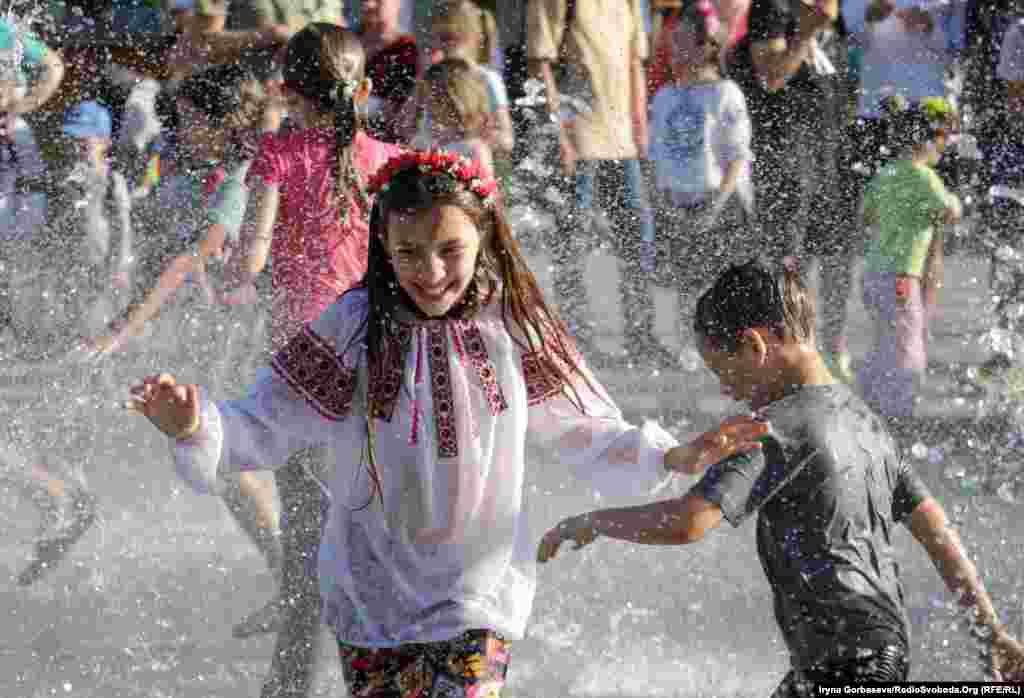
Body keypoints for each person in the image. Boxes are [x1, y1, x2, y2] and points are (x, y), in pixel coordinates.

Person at [125, 149, 769, 697]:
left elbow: (584, 427)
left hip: (478, 587)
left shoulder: (514, 322)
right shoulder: (354, 324)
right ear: (383, 245)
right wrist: (195, 425)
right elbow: (268, 421)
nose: (430, 272)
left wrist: (669, 457)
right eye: (409, 252)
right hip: (372, 589)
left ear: (483, 236)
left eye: (449, 250)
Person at [538, 260, 1024, 691]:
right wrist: (991, 631)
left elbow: (689, 521)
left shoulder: (775, 429)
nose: (727, 391)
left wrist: (596, 521)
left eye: (723, 371)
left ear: (754, 346)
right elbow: (937, 531)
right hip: (870, 652)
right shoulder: (865, 422)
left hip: (846, 663)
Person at [218, 23, 401, 698]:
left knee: (307, 541)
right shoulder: (390, 161)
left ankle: (291, 686)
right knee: (374, 531)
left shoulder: (278, 154)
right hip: (376, 360)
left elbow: (252, 257)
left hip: (304, 366)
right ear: (365, 88)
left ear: (288, 92)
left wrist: (230, 274)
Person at [528, 0, 675, 368]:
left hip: (621, 139)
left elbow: (635, 63)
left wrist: (640, 126)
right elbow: (540, 62)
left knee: (637, 236)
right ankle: (575, 338)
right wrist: (557, 132)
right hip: (578, 134)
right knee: (573, 239)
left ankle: (641, 334)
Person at [647, 0, 754, 342]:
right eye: (671, 42)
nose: (672, 50)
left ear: (705, 47)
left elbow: (737, 157)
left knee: (720, 287)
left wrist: (717, 204)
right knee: (686, 287)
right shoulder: (664, 96)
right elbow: (657, 159)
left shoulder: (725, 93)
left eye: (681, 42)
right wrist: (663, 205)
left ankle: (729, 346)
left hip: (720, 204)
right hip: (678, 205)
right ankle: (689, 347)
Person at [858, 101, 961, 419]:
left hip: (873, 273)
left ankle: (868, 401)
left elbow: (867, 214)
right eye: (941, 140)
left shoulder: (886, 173)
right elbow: (951, 211)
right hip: (901, 276)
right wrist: (951, 202)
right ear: (924, 140)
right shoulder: (924, 177)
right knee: (907, 345)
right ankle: (897, 411)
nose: (943, 148)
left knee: (884, 340)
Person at [426, 0, 515, 160]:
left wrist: (468, 134)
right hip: (439, 160)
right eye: (440, 37)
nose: (442, 44)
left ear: (471, 36)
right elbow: (405, 129)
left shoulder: (486, 78)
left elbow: (507, 141)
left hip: (474, 163)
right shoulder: (431, 77)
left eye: (448, 37)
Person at [407, 57, 496, 175]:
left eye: (435, 97)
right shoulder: (424, 142)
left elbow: (486, 185)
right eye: (426, 96)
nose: (427, 103)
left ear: (454, 100)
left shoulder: (473, 149)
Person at [359, 0, 419, 143]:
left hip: (380, 142)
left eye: (378, 1)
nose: (368, 5)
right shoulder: (347, 40)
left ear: (397, 4)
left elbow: (397, 109)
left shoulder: (406, 50)